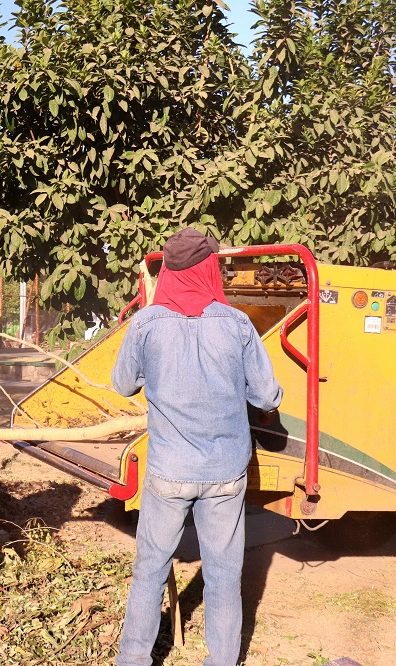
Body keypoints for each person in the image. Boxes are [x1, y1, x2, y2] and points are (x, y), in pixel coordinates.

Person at [112, 228, 283, 666]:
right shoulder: (236, 323)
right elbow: (267, 396)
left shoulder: (147, 322)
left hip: (169, 471)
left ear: (167, 270)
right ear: (211, 269)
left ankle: (133, 660)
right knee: (224, 574)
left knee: (150, 568)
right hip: (226, 473)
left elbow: (122, 383)